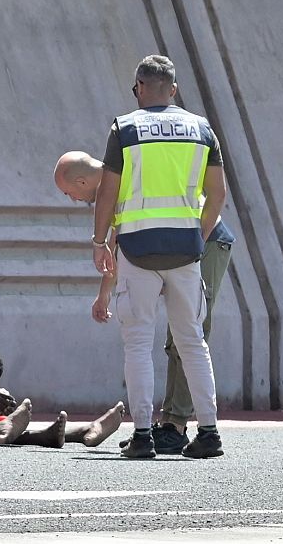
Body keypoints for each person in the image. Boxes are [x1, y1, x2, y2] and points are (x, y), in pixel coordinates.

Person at [81, 55, 226, 459]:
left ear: (139, 88)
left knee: (137, 343)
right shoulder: (202, 129)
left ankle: (143, 436)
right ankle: (209, 432)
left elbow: (108, 191)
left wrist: (98, 242)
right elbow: (217, 195)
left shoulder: (125, 128)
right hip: (185, 250)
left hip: (137, 249)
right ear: (174, 88)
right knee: (192, 342)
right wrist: (198, 234)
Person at [58, 136, 233, 455]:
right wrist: (104, 295)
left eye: (70, 192)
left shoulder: (118, 179)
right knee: (182, 338)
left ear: (82, 180)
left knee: (186, 337)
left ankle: (175, 425)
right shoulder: (119, 173)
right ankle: (176, 426)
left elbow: (114, 243)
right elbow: (119, 243)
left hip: (203, 240)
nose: (72, 199)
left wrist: (104, 296)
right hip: (177, 242)